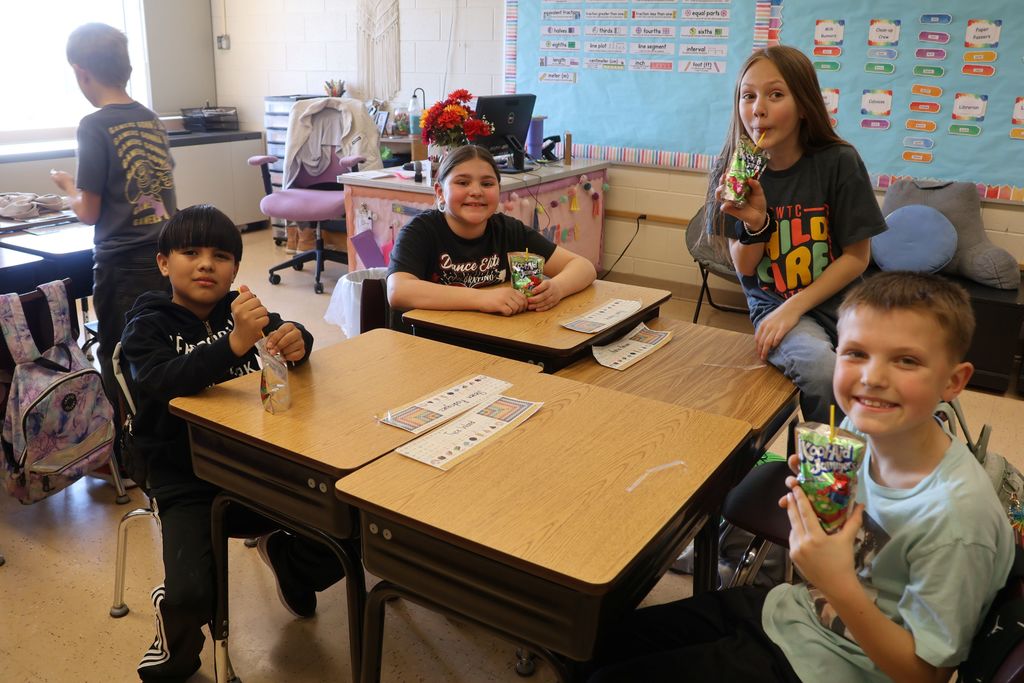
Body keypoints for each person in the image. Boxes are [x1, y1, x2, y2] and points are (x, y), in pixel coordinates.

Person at [587, 271, 1015, 683]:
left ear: (953, 382)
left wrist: (836, 583)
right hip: (795, 611)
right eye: (855, 353)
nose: (872, 378)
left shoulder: (958, 520)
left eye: (906, 360)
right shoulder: (857, 428)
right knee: (598, 644)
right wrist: (819, 507)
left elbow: (925, 674)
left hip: (839, 667)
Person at [121, 205, 343, 682]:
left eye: (220, 256)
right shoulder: (147, 325)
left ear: (236, 269)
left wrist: (296, 339)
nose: (205, 264)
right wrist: (234, 344)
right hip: (183, 477)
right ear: (164, 263)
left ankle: (289, 562)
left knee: (344, 535)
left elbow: (291, 337)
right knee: (191, 593)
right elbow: (162, 380)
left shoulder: (239, 310)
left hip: (258, 466)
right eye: (190, 252)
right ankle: (173, 648)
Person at [705, 45, 887, 424]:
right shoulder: (732, 169)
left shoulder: (839, 162)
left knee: (900, 365)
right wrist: (757, 223)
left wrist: (796, 307)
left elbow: (857, 257)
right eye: (748, 96)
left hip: (841, 300)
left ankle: (884, 460)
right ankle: (828, 474)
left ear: (804, 104)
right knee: (825, 373)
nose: (758, 108)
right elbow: (746, 269)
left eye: (775, 94)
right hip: (773, 302)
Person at [51, 22, 176, 430]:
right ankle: (165, 423)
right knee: (160, 340)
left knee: (119, 352)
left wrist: (67, 186)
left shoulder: (94, 126)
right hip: (165, 255)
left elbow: (88, 211)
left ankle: (124, 442)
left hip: (122, 264)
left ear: (80, 72)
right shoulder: (152, 119)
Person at [387, 145, 596, 316]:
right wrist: (482, 299)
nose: (476, 192)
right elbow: (398, 291)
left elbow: (583, 267)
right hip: (434, 342)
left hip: (495, 339)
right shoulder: (420, 232)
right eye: (463, 182)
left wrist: (556, 289)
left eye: (487, 183)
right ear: (440, 192)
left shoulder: (509, 230)